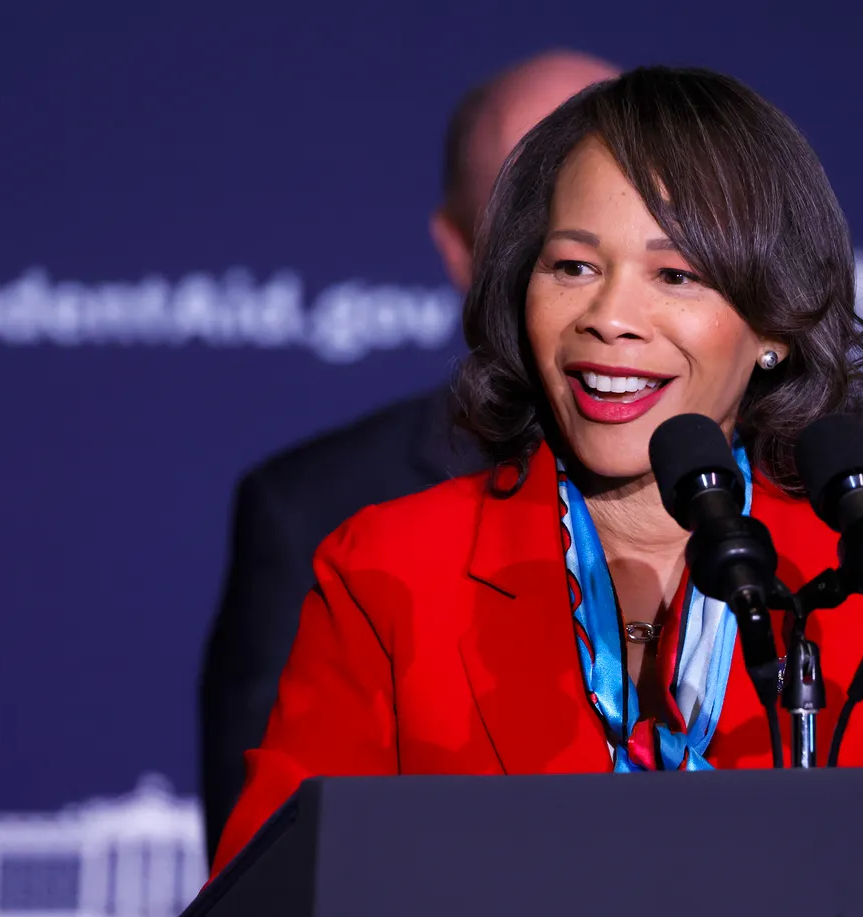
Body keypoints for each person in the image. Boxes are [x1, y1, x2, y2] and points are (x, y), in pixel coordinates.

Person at [210, 66, 863, 879]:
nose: (610, 319)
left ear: (775, 321)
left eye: (676, 275)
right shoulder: (389, 568)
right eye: (573, 268)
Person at [197, 50, 618, 857]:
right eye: (536, 223)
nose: (597, 280)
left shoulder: (823, 494)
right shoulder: (318, 514)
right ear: (461, 251)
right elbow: (272, 895)